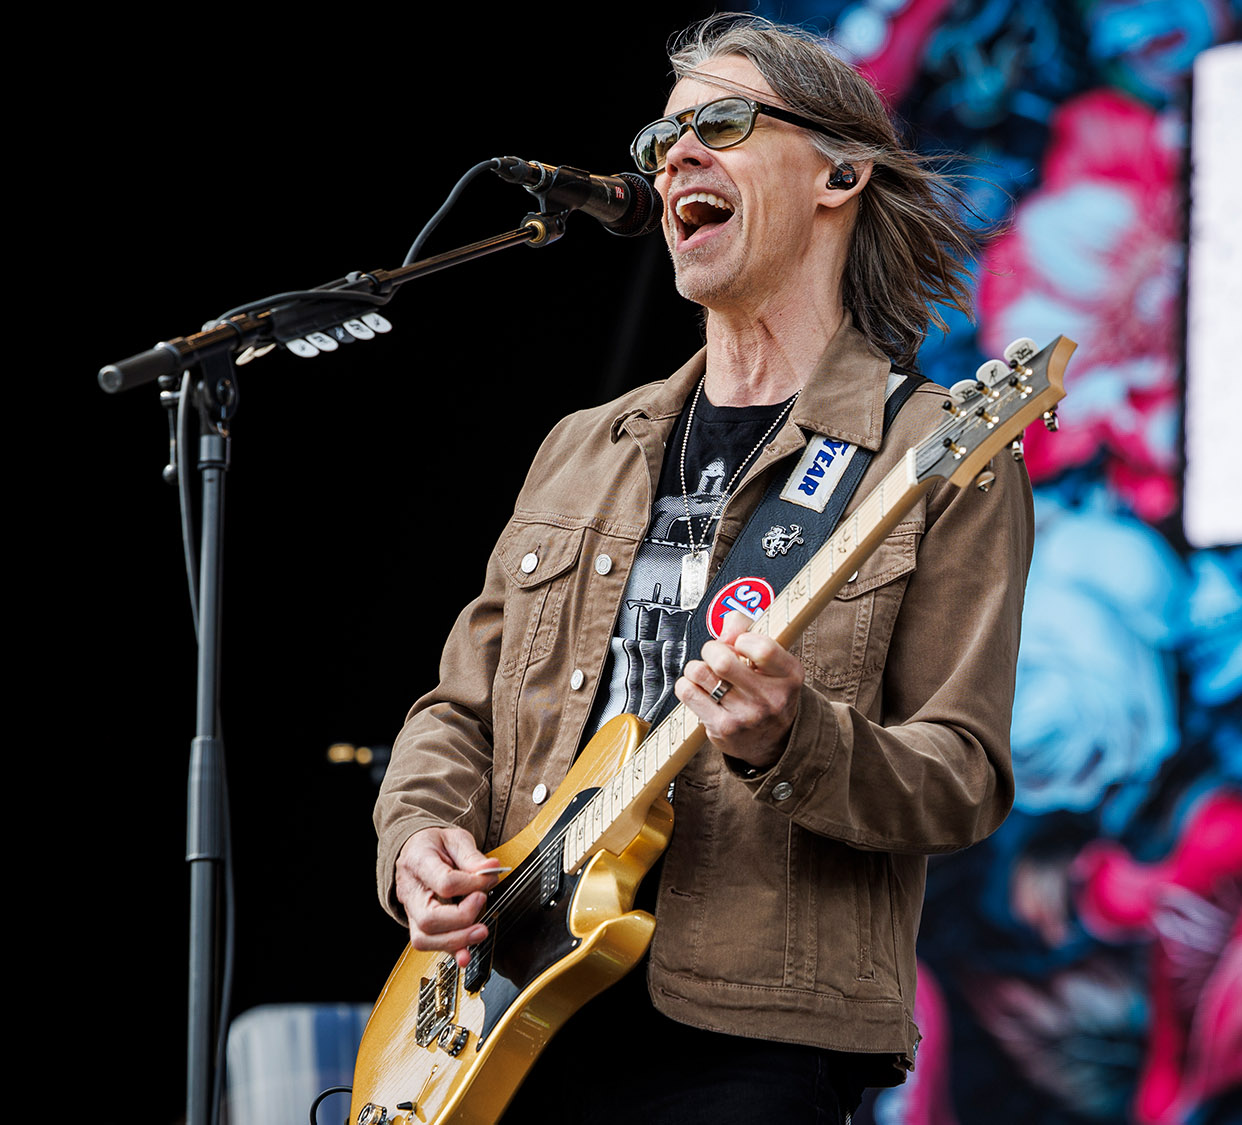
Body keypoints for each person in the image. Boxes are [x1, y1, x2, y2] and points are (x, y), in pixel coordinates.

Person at [372, 13, 1030, 1122]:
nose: (673, 157)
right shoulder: (586, 444)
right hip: (505, 1011)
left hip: (745, 1043)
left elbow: (963, 776)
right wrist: (414, 840)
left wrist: (795, 737)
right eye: (660, 140)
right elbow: (456, 712)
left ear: (841, 172)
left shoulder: (930, 454)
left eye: (720, 123)